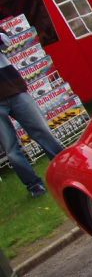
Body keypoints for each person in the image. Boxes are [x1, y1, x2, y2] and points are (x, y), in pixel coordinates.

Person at [0, 31, 64, 198]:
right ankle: (34, 185)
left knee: (42, 131)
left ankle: (65, 167)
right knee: (11, 149)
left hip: (14, 88)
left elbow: (6, 41)